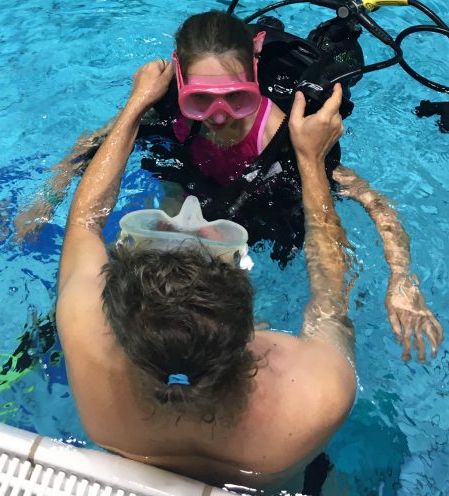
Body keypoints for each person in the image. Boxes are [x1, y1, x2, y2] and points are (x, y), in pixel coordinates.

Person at [18, 11, 443, 363]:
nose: (218, 116)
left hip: (260, 211)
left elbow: (375, 202)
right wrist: (47, 198)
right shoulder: (167, 109)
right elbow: (91, 145)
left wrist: (402, 281)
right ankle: (39, 346)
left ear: (254, 76)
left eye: (236, 99)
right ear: (180, 83)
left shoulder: (288, 136)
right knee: (126, 282)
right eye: (200, 100)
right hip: (189, 196)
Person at [57, 59, 356, 488]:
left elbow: (84, 222)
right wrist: (310, 160)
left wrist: (137, 104)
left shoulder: (89, 351)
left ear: (117, 323)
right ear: (249, 323)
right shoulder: (318, 396)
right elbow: (332, 297)